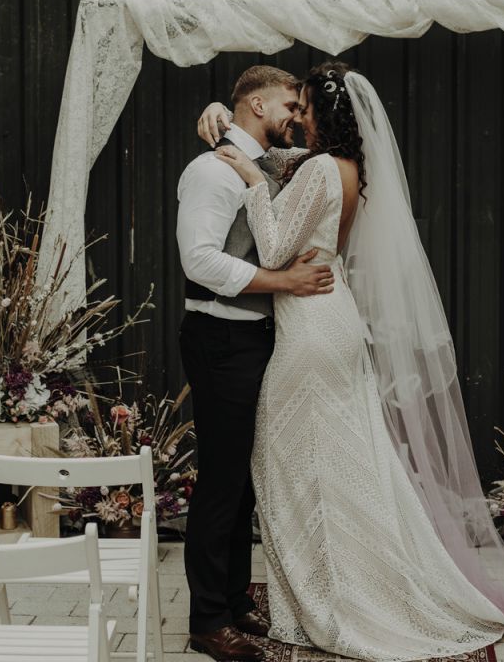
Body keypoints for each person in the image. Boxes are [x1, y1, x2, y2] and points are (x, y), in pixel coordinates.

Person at [207, 61, 504, 660]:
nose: (297, 118)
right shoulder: (347, 167)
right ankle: (347, 579)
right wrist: (221, 116)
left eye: (304, 108)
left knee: (295, 464)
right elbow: (281, 169)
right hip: (334, 318)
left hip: (310, 328)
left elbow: (275, 249)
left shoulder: (320, 167)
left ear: (325, 113)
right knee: (341, 460)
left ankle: (340, 597)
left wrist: (250, 180)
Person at [176, 65, 337, 661]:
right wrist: (283, 283)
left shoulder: (268, 163)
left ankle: (234, 597)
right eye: (290, 105)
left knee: (244, 478)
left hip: (256, 337)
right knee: (221, 480)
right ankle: (207, 619)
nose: (297, 115)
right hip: (220, 338)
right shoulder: (211, 171)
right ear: (259, 105)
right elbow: (199, 260)